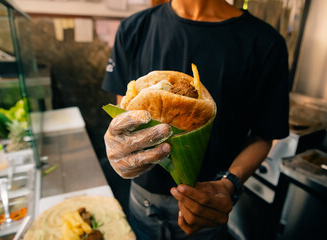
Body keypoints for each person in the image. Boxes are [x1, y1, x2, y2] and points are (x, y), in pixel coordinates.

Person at [102, 0, 289, 239]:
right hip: (142, 202)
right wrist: (119, 148)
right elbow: (125, 113)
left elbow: (264, 135)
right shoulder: (134, 28)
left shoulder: (265, 43)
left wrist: (228, 184)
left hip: (209, 208)